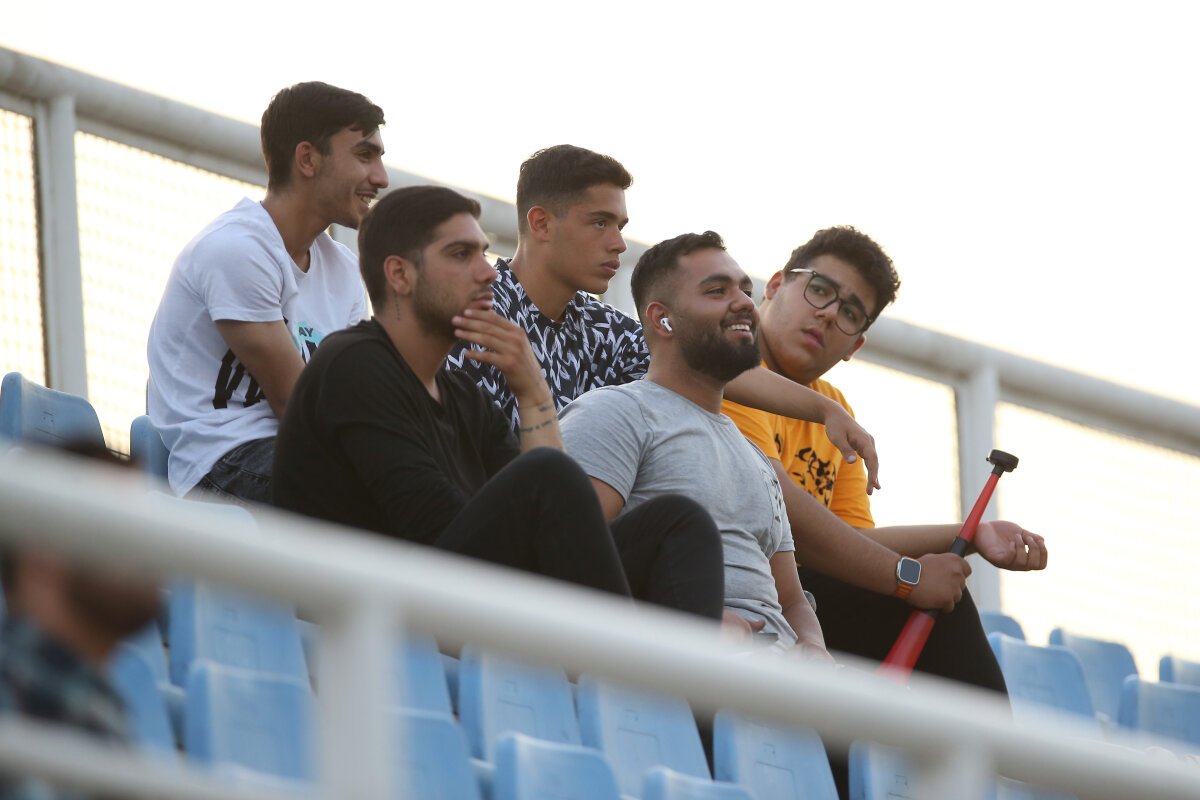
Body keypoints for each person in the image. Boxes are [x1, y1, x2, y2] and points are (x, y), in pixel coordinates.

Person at [272, 186, 725, 621]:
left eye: (483, 253)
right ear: (400, 275)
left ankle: (670, 673)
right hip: (374, 611)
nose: (488, 272)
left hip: (457, 594)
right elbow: (435, 530)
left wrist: (533, 392)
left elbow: (544, 521)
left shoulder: (461, 395)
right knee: (547, 474)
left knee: (677, 523)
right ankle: (626, 662)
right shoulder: (354, 365)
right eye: (460, 254)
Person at [722, 225, 1048, 692]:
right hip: (738, 588)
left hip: (798, 599)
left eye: (851, 312)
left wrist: (969, 533)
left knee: (939, 604)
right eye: (820, 290)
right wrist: (909, 579)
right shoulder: (731, 366)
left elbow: (851, 544)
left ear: (855, 346)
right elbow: (782, 515)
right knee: (928, 607)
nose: (829, 314)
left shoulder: (835, 407)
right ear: (775, 285)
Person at [445, 144, 881, 489]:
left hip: (564, 526)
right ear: (541, 223)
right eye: (600, 223)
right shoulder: (474, 309)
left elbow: (714, 368)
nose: (618, 243)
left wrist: (826, 411)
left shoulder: (601, 328)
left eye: (620, 225)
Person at [559, 231, 831, 658]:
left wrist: (813, 645)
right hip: (681, 669)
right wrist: (688, 620)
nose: (744, 303)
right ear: (663, 319)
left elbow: (793, 600)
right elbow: (566, 561)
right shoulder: (615, 413)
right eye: (717, 291)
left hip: (780, 677)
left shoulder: (756, 457)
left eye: (745, 290)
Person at [147, 81, 388, 504]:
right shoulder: (236, 250)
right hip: (222, 464)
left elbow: (349, 400)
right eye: (364, 155)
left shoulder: (345, 270)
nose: (381, 178)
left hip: (296, 458)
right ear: (307, 159)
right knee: (384, 496)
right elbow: (299, 408)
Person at [0, 443, 161, 800]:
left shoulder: (89, 708)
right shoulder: (17, 702)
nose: (149, 545)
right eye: (120, 522)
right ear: (41, 551)